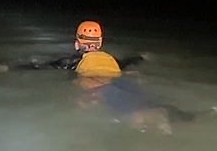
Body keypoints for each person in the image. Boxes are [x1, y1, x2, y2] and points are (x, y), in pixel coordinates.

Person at [16, 21, 192, 134]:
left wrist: (8, 67)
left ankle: (146, 118)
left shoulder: (71, 61)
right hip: (120, 80)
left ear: (77, 44)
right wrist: (141, 57)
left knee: (125, 111)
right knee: (142, 99)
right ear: (99, 43)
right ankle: (165, 114)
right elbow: (128, 62)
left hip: (98, 85)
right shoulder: (111, 60)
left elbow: (40, 66)